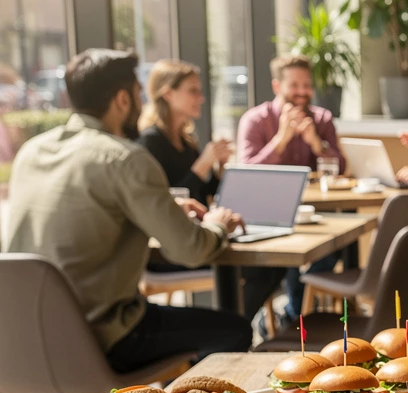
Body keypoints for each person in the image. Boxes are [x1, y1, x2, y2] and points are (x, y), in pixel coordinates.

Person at [2, 48, 252, 372]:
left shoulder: (31, 152)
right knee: (236, 330)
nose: (141, 104)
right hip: (102, 342)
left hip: (21, 344)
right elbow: (191, 250)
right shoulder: (125, 159)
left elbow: (85, 206)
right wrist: (218, 225)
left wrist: (167, 207)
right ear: (122, 100)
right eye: (137, 95)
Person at [237, 53, 349, 327]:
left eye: (306, 85)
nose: (302, 93)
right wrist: (281, 139)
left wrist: (315, 143)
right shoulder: (255, 120)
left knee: (342, 240)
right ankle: (295, 316)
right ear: (278, 86)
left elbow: (341, 167)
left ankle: (292, 312)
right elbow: (247, 173)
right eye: (294, 85)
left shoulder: (321, 119)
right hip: (270, 216)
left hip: (318, 215)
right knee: (286, 255)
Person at [137, 59, 232, 207]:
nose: (201, 98)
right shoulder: (151, 141)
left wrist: (220, 169)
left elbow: (202, 194)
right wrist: (203, 164)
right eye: (193, 91)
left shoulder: (187, 140)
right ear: (168, 93)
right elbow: (166, 201)